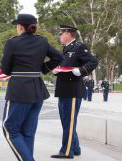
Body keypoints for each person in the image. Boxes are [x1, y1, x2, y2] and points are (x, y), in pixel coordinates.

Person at [1, 14, 63, 161]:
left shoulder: (12, 43)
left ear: (21, 26)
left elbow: (5, 69)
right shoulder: (42, 41)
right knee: (28, 132)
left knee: (10, 129)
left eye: (17, 25)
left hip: (19, 91)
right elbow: (59, 57)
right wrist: (41, 69)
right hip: (37, 91)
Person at [51, 24, 98, 159]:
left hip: (72, 90)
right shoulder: (65, 49)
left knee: (69, 123)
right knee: (67, 122)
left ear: (68, 34)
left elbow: (93, 62)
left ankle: (66, 151)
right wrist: (56, 70)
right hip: (63, 90)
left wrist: (81, 71)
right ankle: (75, 148)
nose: (59, 36)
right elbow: (64, 65)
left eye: (61, 33)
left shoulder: (79, 47)